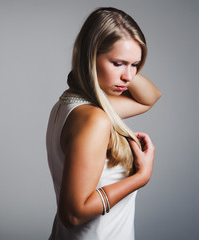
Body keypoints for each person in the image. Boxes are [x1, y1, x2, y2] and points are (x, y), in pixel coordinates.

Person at [46, 7, 162, 240]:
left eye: (135, 65)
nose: (128, 77)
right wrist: (141, 177)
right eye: (118, 63)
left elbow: (150, 97)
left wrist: (124, 61)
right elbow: (74, 214)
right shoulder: (94, 118)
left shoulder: (70, 105)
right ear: (90, 57)